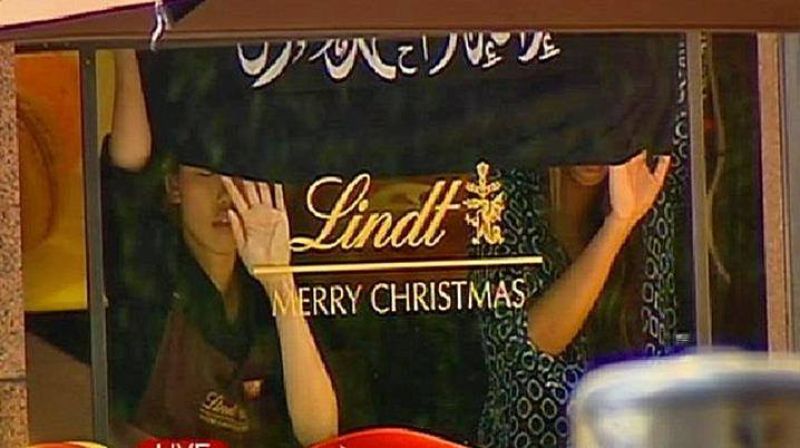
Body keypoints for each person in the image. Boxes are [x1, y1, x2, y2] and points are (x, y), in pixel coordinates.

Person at [105, 49, 338, 447]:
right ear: (174, 187)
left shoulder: (262, 302)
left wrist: (278, 280)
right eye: (205, 175)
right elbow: (130, 160)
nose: (225, 195)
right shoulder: (152, 273)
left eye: (238, 178)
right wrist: (123, 46)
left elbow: (320, 431)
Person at [474, 155, 669, 447]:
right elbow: (524, 348)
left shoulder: (646, 196)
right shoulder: (507, 198)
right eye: (583, 132)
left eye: (608, 131)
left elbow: (653, 356)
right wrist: (618, 225)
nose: (595, 148)